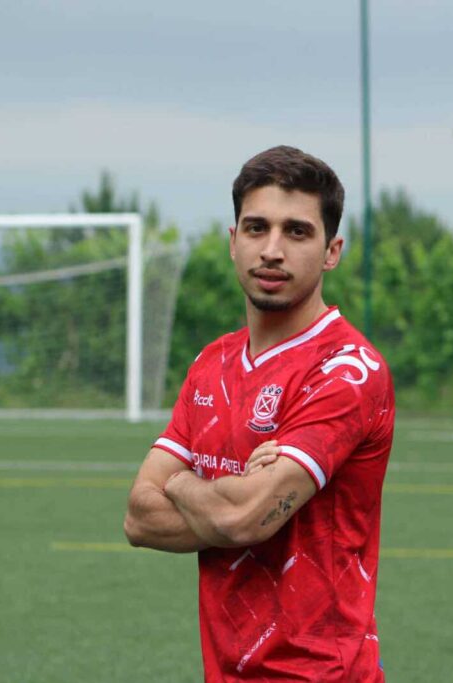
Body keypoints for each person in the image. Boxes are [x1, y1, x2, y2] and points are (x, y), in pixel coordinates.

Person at [124, 145, 395, 681]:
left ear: (332, 251)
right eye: (256, 228)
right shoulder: (212, 363)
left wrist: (181, 484)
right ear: (233, 241)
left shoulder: (347, 369)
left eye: (297, 232)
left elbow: (243, 519)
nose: (272, 250)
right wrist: (231, 497)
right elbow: (138, 518)